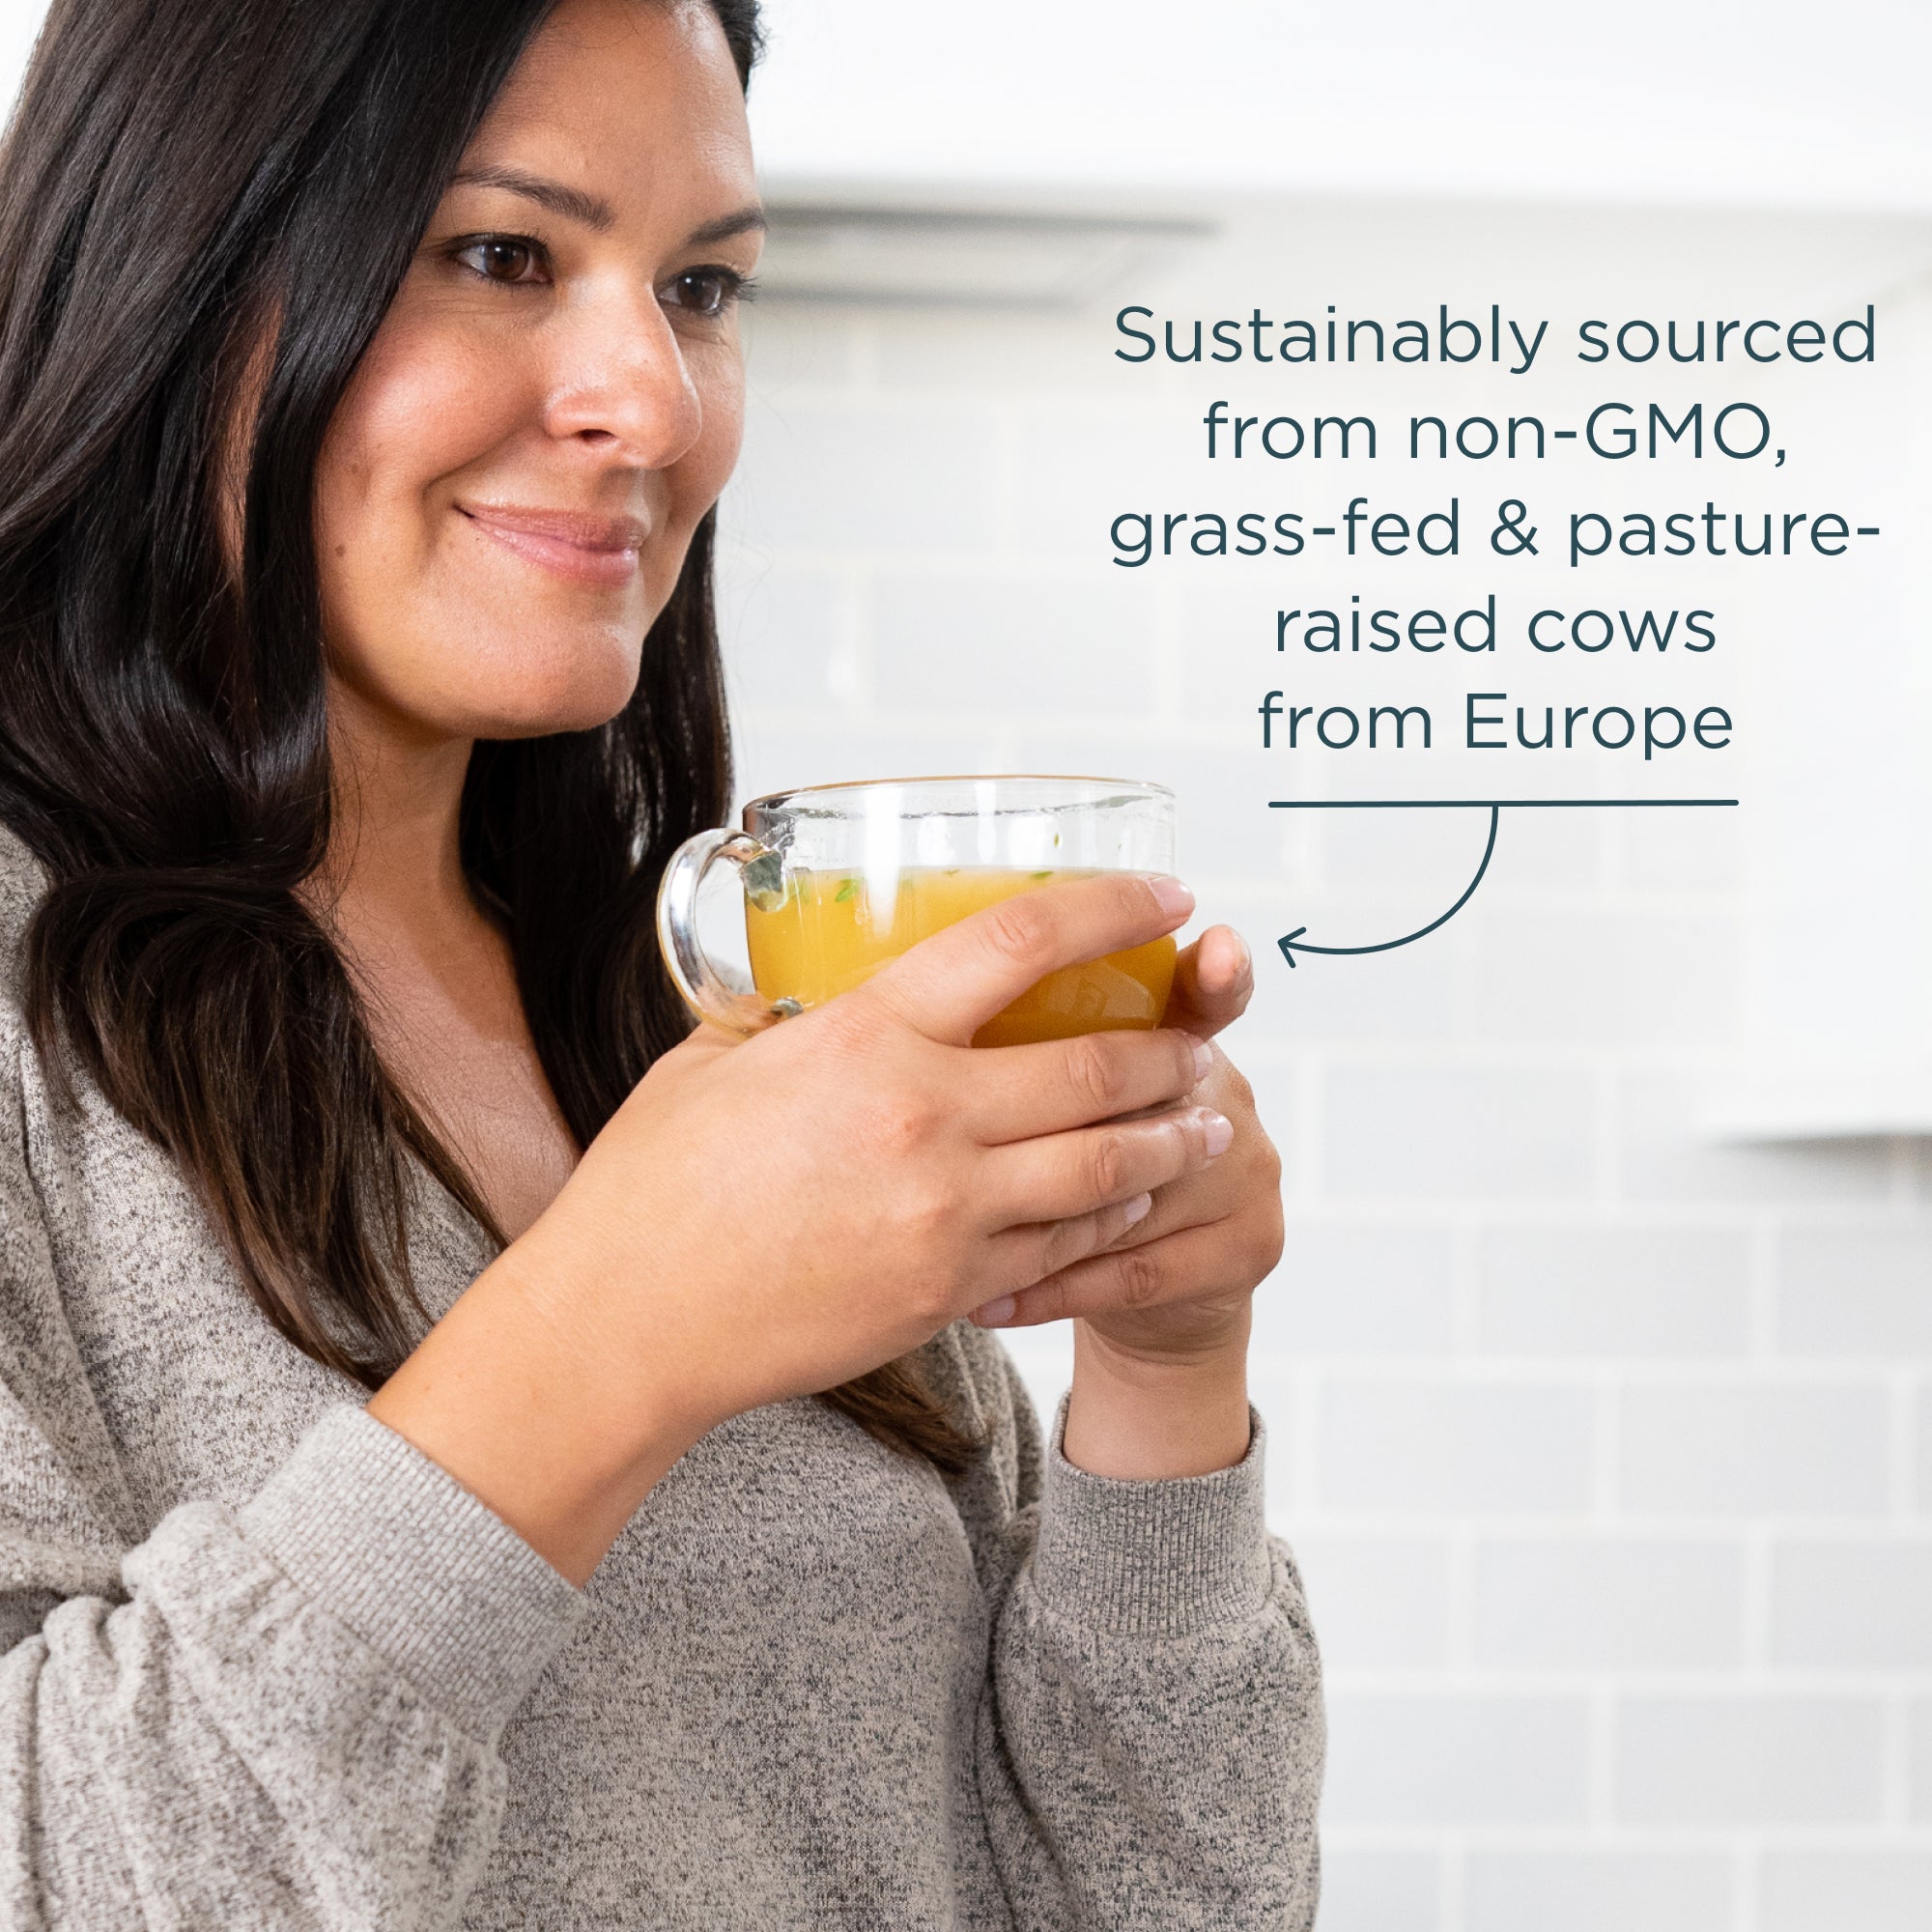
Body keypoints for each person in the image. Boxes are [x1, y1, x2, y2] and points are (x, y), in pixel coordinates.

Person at [0, 0, 1323, 1923]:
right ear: (172, 273)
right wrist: (617, 1334)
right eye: (499, 255)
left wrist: (1161, 1376)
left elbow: (1167, 1895)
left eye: (700, 286)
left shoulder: (706, 1011)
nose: (656, 398)